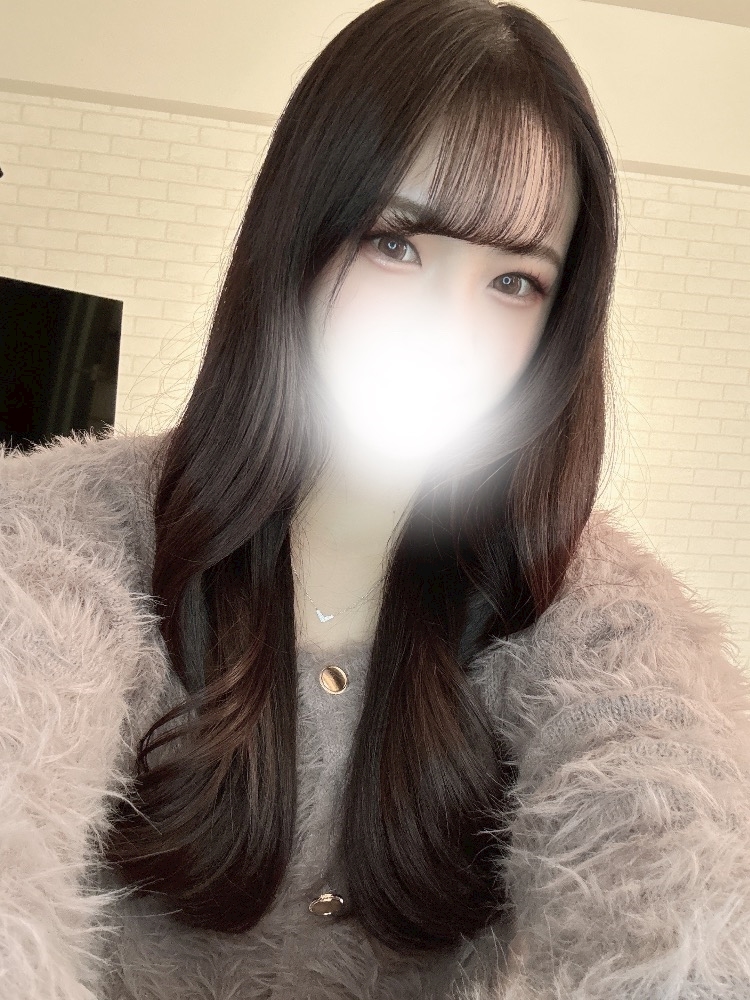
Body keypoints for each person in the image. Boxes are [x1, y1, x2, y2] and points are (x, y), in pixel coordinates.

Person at [1, 1, 749, 997]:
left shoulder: (587, 607)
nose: (446, 328)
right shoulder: (65, 537)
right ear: (297, 237)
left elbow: (678, 862)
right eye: (397, 244)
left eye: (515, 283)